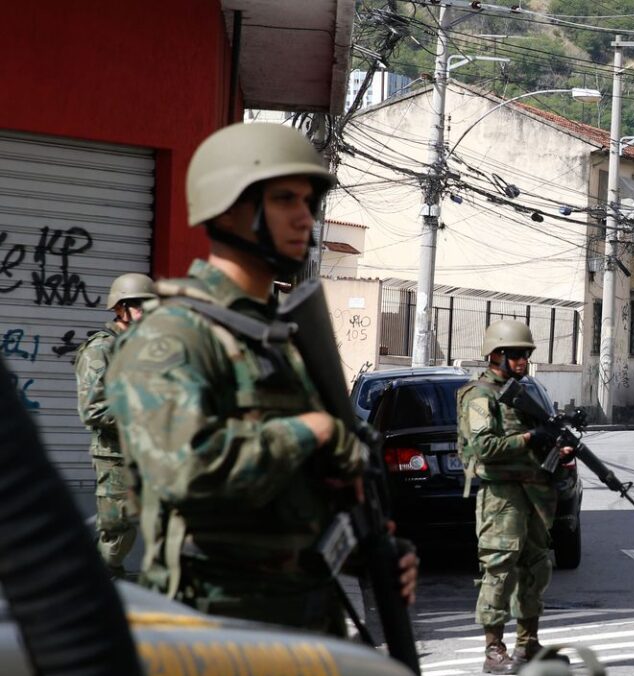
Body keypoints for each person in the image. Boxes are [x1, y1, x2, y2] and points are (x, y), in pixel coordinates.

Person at [107, 123, 416, 634]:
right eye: (284, 200)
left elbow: (296, 501)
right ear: (228, 208)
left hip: (309, 624)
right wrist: (311, 431)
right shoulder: (173, 337)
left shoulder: (283, 339)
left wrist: (367, 549)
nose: (305, 218)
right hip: (216, 634)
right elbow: (186, 471)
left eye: (309, 201)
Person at [457, 319, 571, 674]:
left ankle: (528, 646)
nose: (523, 361)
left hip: (535, 493)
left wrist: (557, 449)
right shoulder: (480, 396)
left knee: (535, 568)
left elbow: (538, 438)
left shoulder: (526, 393)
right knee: (500, 570)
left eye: (526, 355)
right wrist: (528, 439)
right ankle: (494, 650)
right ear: (495, 354)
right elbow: (485, 447)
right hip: (502, 496)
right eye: (516, 354)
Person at [75, 273, 156, 578]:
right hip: (117, 456)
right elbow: (93, 409)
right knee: (116, 532)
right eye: (142, 306)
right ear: (121, 309)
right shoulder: (101, 350)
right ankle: (100, 588)